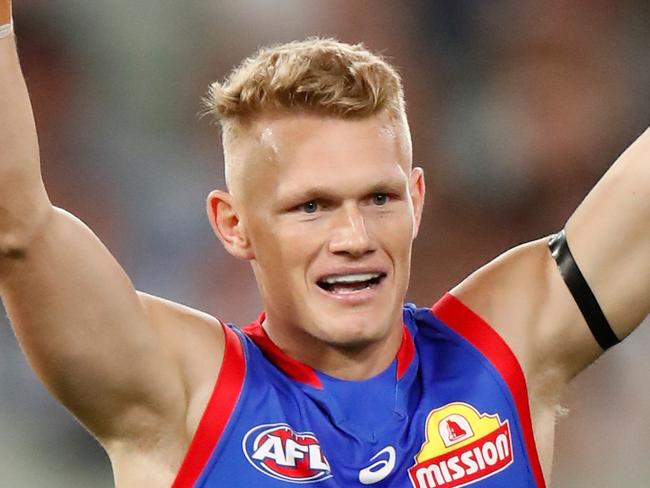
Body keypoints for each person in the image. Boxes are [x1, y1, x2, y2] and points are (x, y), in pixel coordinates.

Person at [1, 2, 648, 487]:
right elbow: (17, 227)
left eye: (379, 198)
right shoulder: (183, 393)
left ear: (416, 199)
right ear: (234, 225)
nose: (354, 238)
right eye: (311, 207)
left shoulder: (504, 349)